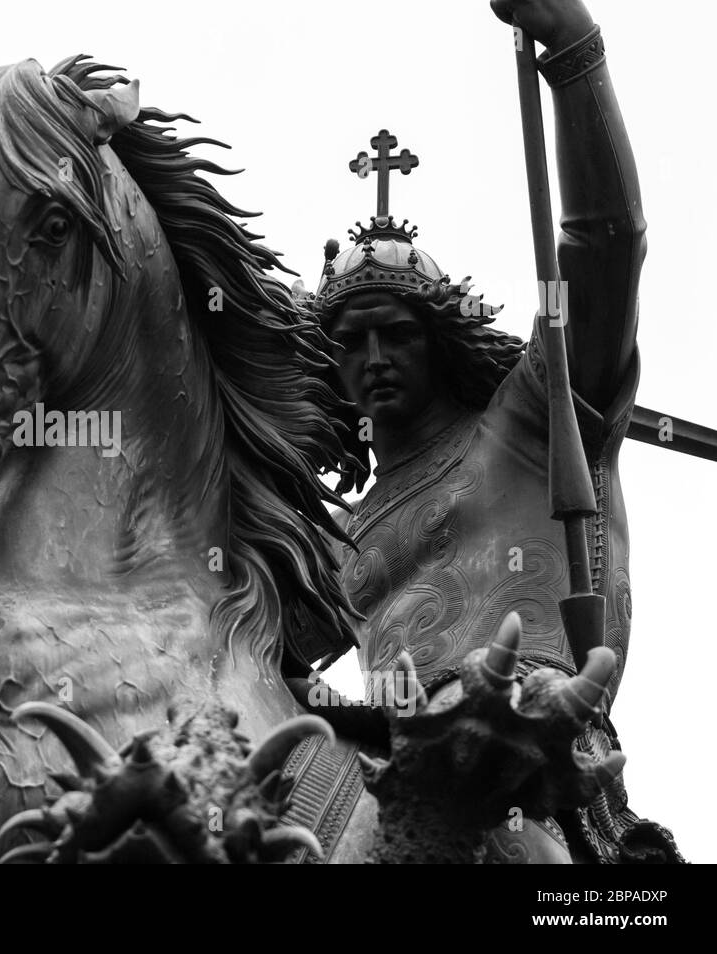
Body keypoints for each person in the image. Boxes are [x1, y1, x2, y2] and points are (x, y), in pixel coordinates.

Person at [296, 0, 681, 862]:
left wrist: (575, 52)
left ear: (439, 342)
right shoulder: (335, 536)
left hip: (523, 761)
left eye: (396, 332)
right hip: (383, 774)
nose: (372, 357)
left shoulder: (533, 424)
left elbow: (605, 246)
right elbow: (251, 663)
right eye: (349, 342)